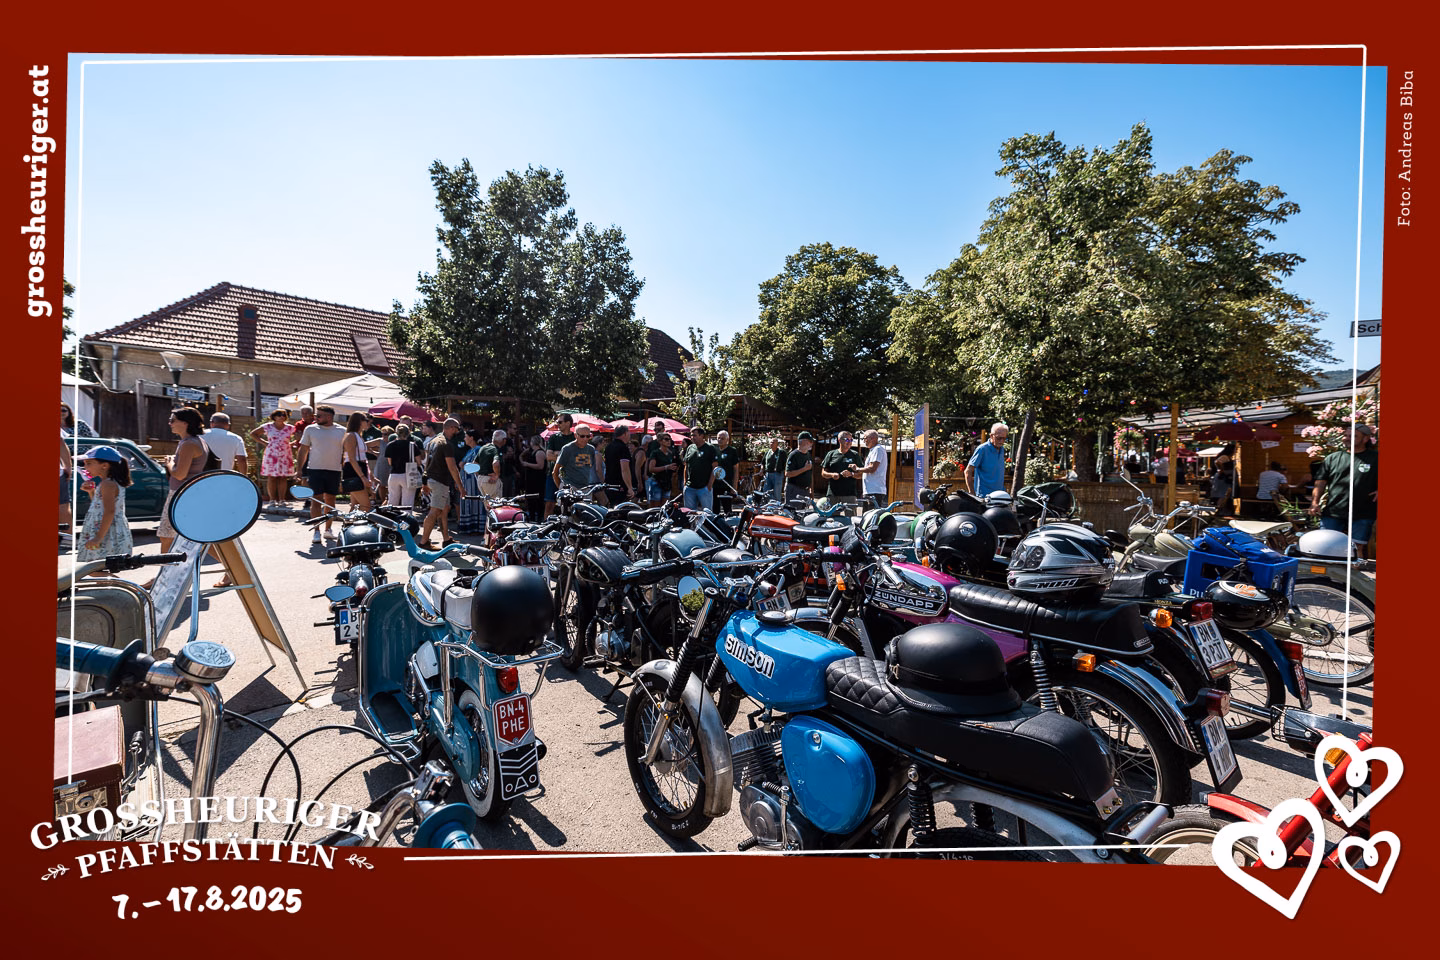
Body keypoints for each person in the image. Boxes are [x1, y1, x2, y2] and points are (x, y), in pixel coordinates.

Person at [156, 407, 221, 554]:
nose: (170, 423)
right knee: (195, 538)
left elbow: (180, 474)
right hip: (188, 494)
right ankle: (230, 565)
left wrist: (169, 463)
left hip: (181, 495)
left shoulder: (188, 444)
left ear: (185, 423)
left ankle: (164, 569)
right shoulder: (193, 441)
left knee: (167, 536)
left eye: (173, 420)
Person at [1310, 424, 1378, 559]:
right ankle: (1328, 572)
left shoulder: (1376, 457)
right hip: (1334, 510)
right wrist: (1315, 502)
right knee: (1326, 545)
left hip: (1363, 511)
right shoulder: (1332, 458)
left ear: (1365, 439)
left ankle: (1354, 572)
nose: (1346, 438)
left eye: (1353, 436)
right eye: (1345, 435)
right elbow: (1320, 482)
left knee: (1356, 548)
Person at [294, 405, 347, 545]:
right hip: (315, 469)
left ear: (329, 417)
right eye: (316, 415)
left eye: (319, 416)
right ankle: (316, 531)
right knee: (316, 500)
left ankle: (328, 529)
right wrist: (299, 469)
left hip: (334, 470)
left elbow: (346, 452)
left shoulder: (342, 431)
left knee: (330, 501)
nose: (315, 418)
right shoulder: (310, 429)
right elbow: (303, 450)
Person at [75, 445, 134, 571]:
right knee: (93, 568)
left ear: (105, 465)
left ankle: (120, 583)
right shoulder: (108, 482)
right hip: (105, 529)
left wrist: (98, 538)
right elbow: (100, 506)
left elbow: (110, 511)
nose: (85, 468)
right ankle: (115, 583)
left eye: (89, 463)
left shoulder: (108, 484)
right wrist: (91, 492)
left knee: (91, 569)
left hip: (105, 532)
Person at [419, 418, 467, 547]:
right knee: (435, 511)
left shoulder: (434, 441)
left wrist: (425, 482)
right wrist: (461, 487)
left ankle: (446, 539)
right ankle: (424, 542)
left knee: (444, 510)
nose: (458, 431)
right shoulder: (446, 444)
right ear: (451, 428)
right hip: (439, 481)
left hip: (434, 480)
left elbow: (427, 463)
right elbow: (453, 467)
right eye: (457, 429)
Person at [251, 409, 296, 513]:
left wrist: (292, 443)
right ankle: (272, 499)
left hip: (285, 454)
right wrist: (264, 442)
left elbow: (300, 436)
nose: (281, 417)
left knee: (283, 477)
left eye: (283, 415)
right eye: (279, 415)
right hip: (272, 454)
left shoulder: (290, 428)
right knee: (271, 477)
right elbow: (253, 434)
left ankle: (282, 499)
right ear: (274, 416)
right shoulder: (268, 426)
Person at [552, 423, 602, 495]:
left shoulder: (591, 449)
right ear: (575, 435)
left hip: (585, 488)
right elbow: (555, 472)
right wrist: (561, 488)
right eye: (582, 436)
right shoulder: (567, 449)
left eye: (588, 436)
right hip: (570, 488)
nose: (585, 439)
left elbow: (589, 469)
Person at [341, 412, 376, 513]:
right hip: (353, 471)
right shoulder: (351, 436)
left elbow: (363, 458)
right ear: (359, 422)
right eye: (366, 420)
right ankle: (353, 522)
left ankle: (349, 522)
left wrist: (370, 475)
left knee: (355, 505)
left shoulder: (358, 436)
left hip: (359, 469)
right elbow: (352, 459)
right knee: (366, 505)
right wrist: (363, 477)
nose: (368, 422)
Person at [819, 431, 865, 506]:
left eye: (851, 440)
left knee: (851, 514)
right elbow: (823, 473)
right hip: (833, 494)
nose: (849, 442)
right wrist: (832, 475)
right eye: (847, 440)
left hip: (850, 494)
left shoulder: (855, 455)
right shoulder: (831, 454)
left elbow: (861, 475)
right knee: (832, 514)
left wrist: (851, 474)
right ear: (839, 440)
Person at [455, 429, 486, 535]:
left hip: (474, 483)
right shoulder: (470, 450)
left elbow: (476, 467)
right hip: (467, 482)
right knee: (468, 503)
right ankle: (469, 527)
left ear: (471, 438)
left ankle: (476, 527)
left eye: (466, 436)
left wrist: (464, 465)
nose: (464, 439)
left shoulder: (478, 450)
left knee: (475, 503)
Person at [965, 422, 1009, 497]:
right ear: (991, 436)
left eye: (1004, 438)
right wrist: (972, 493)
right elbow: (967, 471)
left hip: (999, 496)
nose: (1001, 441)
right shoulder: (982, 449)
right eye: (999, 438)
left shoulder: (1001, 449)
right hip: (984, 497)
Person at [544, 413, 575, 517]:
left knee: (570, 505)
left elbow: (575, 458)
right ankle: (546, 525)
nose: (558, 424)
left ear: (568, 423)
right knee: (549, 504)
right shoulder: (554, 437)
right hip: (553, 474)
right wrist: (565, 457)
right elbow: (548, 456)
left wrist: (557, 453)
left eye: (560, 422)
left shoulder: (575, 438)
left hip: (570, 477)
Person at [385, 424, 423, 509]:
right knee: (407, 502)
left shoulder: (390, 445)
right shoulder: (412, 445)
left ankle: (392, 516)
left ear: (396, 433)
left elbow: (390, 463)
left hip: (394, 474)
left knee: (392, 500)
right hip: (408, 475)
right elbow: (419, 462)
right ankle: (406, 517)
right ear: (408, 433)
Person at [681, 427, 719, 511]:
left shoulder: (710, 448)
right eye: (691, 435)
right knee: (689, 513)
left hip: (704, 487)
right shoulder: (690, 448)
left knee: (707, 513)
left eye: (694, 435)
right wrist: (685, 482)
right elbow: (686, 466)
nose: (692, 437)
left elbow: (715, 467)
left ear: (702, 436)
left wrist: (709, 485)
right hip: (690, 487)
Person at [857, 429, 889, 509]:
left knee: (871, 515)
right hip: (870, 490)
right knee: (867, 514)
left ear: (873, 439)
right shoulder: (874, 450)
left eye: (865, 438)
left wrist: (857, 469)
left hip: (875, 490)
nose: (864, 441)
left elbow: (872, 468)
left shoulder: (878, 449)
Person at [605, 425, 636, 504]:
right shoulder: (623, 448)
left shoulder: (609, 446)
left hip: (609, 483)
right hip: (620, 485)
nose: (630, 435)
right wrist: (630, 487)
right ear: (625, 433)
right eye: (629, 432)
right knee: (621, 508)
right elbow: (625, 469)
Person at [646, 433, 679, 505]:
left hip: (667, 482)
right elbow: (651, 469)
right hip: (657, 481)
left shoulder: (671, 453)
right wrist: (666, 467)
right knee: (655, 506)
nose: (669, 441)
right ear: (660, 441)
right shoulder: (655, 453)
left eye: (670, 439)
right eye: (666, 439)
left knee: (665, 506)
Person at [714, 430, 741, 514]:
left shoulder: (732, 451)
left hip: (727, 484)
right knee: (715, 509)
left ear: (727, 440)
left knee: (727, 510)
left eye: (722, 438)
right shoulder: (714, 450)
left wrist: (734, 486)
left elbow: (736, 469)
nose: (720, 440)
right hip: (715, 484)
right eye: (718, 438)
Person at [784, 431, 816, 504]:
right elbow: (787, 473)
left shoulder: (808, 455)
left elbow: (810, 473)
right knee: (792, 510)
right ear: (804, 441)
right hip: (794, 489)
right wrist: (804, 469)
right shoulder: (794, 455)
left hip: (805, 490)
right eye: (810, 441)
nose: (812, 444)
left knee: (803, 511)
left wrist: (811, 490)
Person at [520, 434, 547, 515]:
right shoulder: (532, 451)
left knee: (538, 499)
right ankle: (531, 514)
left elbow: (540, 466)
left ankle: (539, 515)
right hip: (530, 479)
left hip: (537, 480)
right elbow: (521, 456)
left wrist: (527, 464)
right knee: (530, 498)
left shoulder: (539, 452)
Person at [761, 436, 786, 503]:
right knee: (766, 492)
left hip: (778, 474)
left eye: (773, 442)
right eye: (770, 442)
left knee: (777, 493)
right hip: (768, 474)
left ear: (777, 444)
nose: (771, 444)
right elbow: (763, 463)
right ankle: (767, 506)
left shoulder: (781, 452)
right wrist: (761, 470)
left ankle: (777, 506)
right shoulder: (767, 452)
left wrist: (784, 473)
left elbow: (785, 464)